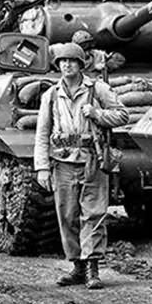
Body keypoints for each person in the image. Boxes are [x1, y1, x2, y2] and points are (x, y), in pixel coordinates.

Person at [34, 43, 129, 290]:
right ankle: (77, 265)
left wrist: (97, 114)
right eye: (63, 61)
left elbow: (122, 115)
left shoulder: (98, 89)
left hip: (92, 159)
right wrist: (41, 167)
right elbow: (42, 133)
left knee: (94, 214)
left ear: (81, 64)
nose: (67, 65)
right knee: (67, 215)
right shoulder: (51, 95)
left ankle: (92, 267)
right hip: (62, 161)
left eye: (72, 61)